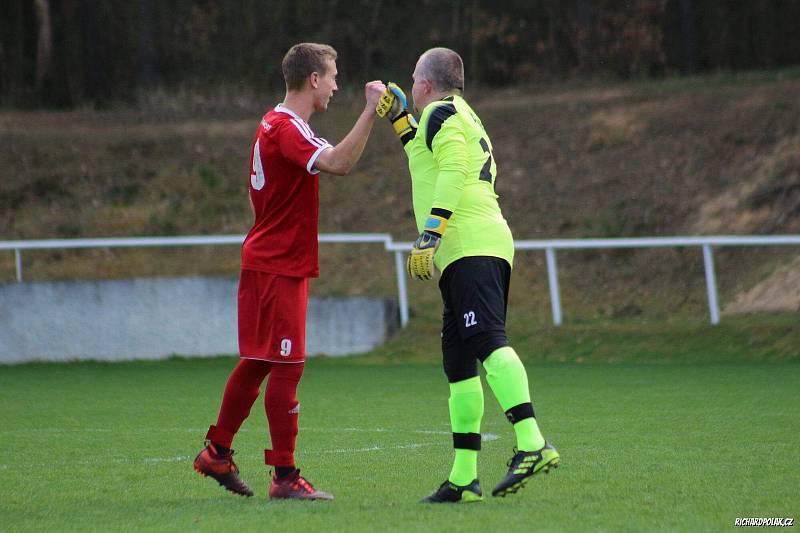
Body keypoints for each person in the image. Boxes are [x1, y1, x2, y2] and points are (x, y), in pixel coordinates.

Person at [193, 43, 385, 500]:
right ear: (313, 79)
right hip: (277, 264)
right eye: (333, 76)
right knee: (287, 365)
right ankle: (284, 476)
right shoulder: (288, 128)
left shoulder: (275, 121)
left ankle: (217, 452)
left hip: (270, 259)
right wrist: (371, 111)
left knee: (261, 361)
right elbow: (339, 162)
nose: (337, 85)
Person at [377, 48, 560, 503]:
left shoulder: (441, 113)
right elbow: (427, 159)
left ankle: (533, 442)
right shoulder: (454, 114)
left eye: (413, 78)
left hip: (469, 243)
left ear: (425, 84)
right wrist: (400, 117)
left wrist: (431, 231)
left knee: (488, 342)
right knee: (459, 367)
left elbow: (455, 168)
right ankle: (464, 479)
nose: (411, 85)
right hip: (475, 245)